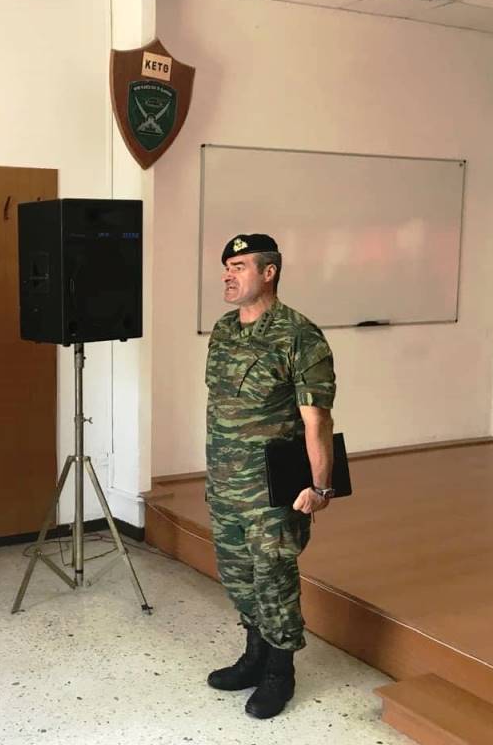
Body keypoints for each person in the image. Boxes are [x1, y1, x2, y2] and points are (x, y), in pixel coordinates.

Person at [204, 233, 336, 719]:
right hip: (224, 482)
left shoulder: (299, 335)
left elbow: (317, 420)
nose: (228, 274)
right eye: (226, 266)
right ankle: (254, 656)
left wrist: (320, 486)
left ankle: (281, 671)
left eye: (239, 266)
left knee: (274, 578)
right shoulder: (224, 330)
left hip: (271, 489)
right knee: (237, 576)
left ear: (269, 272)